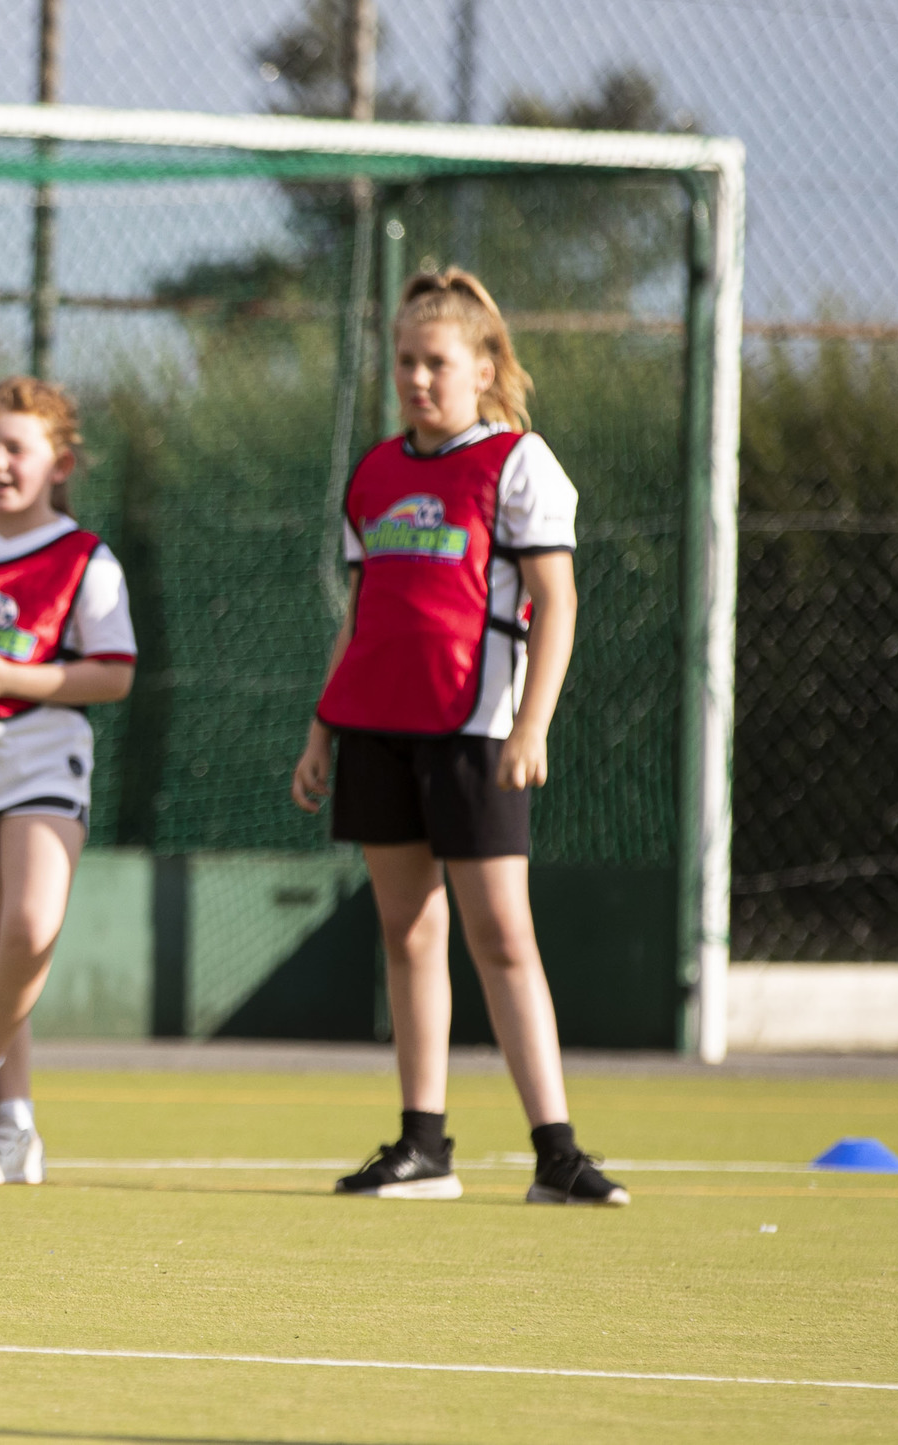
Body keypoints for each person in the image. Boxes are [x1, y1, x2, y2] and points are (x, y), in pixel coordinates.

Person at [290, 267, 627, 1207]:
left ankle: (556, 1151)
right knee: (409, 932)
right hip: (376, 732)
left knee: (503, 935)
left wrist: (532, 724)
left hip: (478, 731)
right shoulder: (375, 472)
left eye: (436, 361)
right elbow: (359, 618)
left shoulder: (518, 463)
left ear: (484, 369)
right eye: (405, 361)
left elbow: (555, 602)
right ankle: (424, 1145)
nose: (417, 378)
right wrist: (323, 729)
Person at [0, 378, 135, 1185]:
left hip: (45, 756)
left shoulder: (86, 556)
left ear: (61, 462)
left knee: (31, 930)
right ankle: (14, 1130)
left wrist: (13, 674)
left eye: (17, 447)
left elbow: (112, 675)